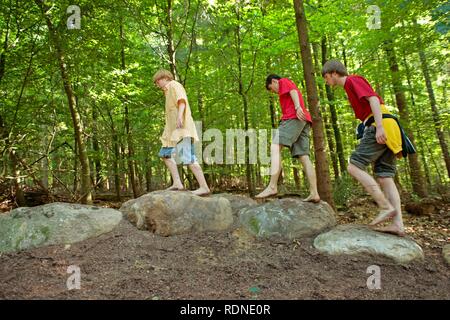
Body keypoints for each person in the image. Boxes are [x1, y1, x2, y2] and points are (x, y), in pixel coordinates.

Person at [322, 59, 405, 236]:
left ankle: (384, 206)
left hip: (381, 125)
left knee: (353, 166)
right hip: (388, 127)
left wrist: (379, 127)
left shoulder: (352, 80)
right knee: (385, 177)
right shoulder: (348, 86)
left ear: (334, 73)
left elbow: (373, 99)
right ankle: (398, 224)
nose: (326, 82)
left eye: (326, 77)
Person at [255, 74, 320, 203]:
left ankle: (272, 186)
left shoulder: (283, 81)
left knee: (274, 146)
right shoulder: (283, 92)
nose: (273, 91)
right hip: (304, 120)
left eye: (271, 88)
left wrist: (297, 107)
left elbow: (293, 91)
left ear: (274, 81)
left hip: (294, 118)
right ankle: (314, 193)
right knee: (304, 156)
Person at [153, 69, 210, 196]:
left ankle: (204, 187)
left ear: (165, 78)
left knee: (188, 158)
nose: (157, 84)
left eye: (157, 81)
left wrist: (180, 117)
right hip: (171, 132)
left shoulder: (174, 85)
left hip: (181, 129)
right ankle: (177, 183)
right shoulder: (167, 92)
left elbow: (181, 101)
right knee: (165, 155)